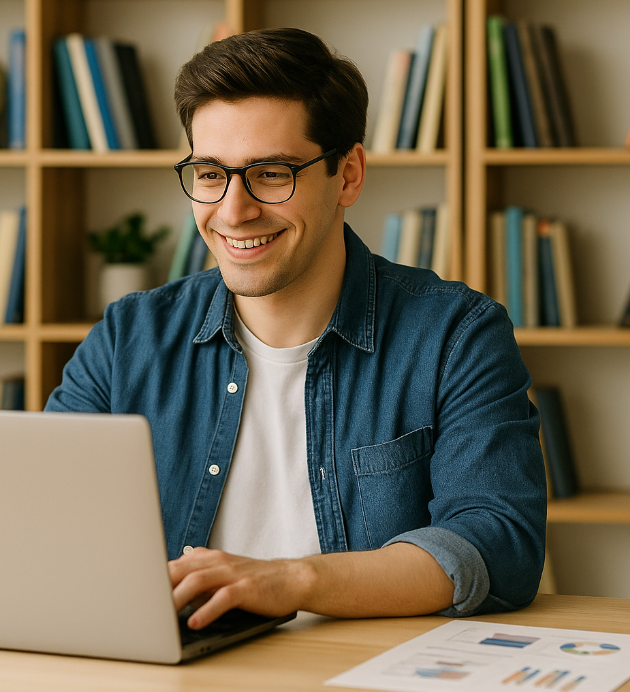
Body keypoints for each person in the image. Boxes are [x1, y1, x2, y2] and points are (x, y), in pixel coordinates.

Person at [46, 28, 546, 630]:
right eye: (210, 174)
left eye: (272, 173)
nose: (234, 211)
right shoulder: (129, 337)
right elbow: (45, 519)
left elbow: (497, 547)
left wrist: (292, 579)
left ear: (349, 175)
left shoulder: (456, 335)